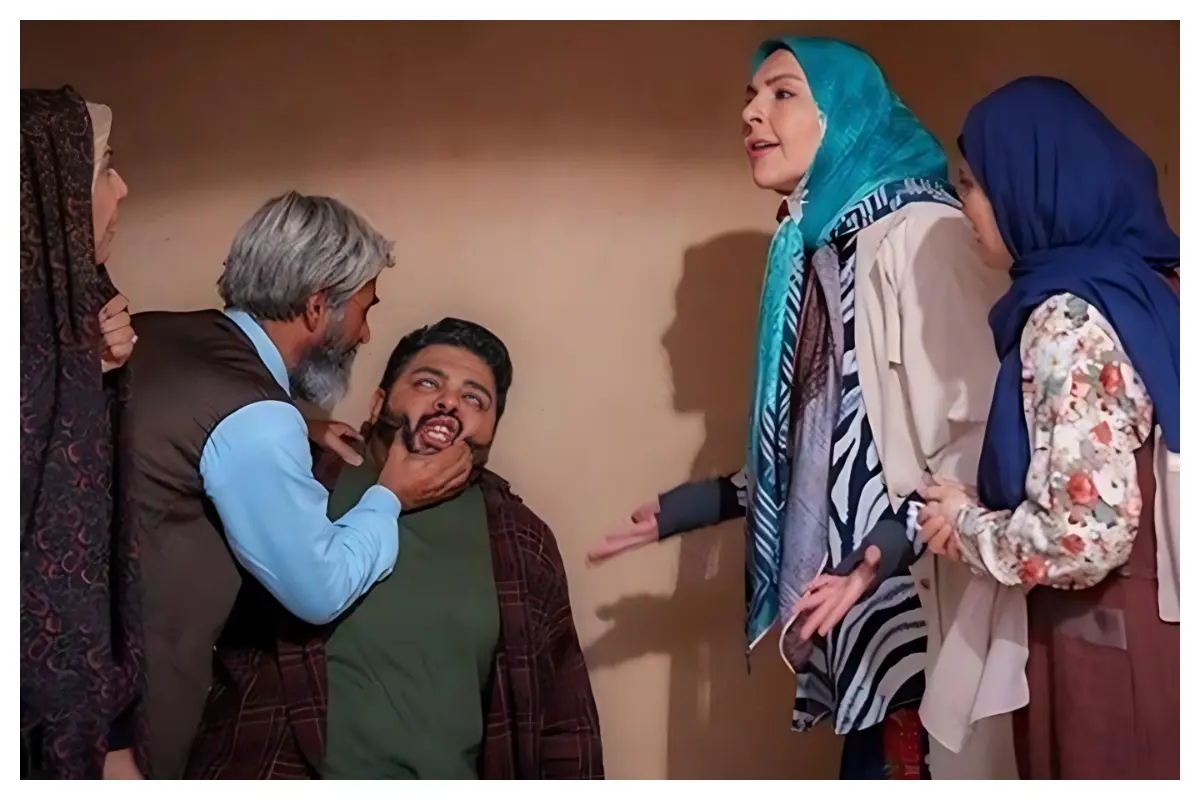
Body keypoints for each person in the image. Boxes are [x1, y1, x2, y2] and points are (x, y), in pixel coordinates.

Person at [588, 37, 1013, 779]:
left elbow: (983, 442)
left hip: (922, 622)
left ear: (846, 115)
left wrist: (880, 554)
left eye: (783, 93)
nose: (752, 113)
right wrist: (694, 506)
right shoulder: (828, 251)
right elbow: (837, 445)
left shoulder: (926, 235)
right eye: (751, 98)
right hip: (873, 631)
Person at [120, 192, 475, 778]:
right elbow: (317, 587)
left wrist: (294, 424)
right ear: (316, 307)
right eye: (364, 308)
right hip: (125, 719)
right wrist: (390, 495)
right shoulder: (254, 420)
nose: (365, 334)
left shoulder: (148, 332)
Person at [185, 318, 604, 779]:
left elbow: (563, 716)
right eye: (428, 383)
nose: (449, 402)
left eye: (474, 399)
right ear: (378, 402)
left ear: (491, 432)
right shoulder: (302, 475)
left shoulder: (522, 539)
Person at [918, 77, 1180, 779]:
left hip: (1106, 648)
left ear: (1032, 184)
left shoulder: (1066, 318)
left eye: (974, 183)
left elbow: (1082, 535)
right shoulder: (1149, 285)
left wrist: (964, 524)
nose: (965, 205)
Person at [20, 86, 140, 780]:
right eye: (103, 168)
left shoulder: (78, 313)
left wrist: (94, 368)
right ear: (47, 193)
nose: (121, 188)